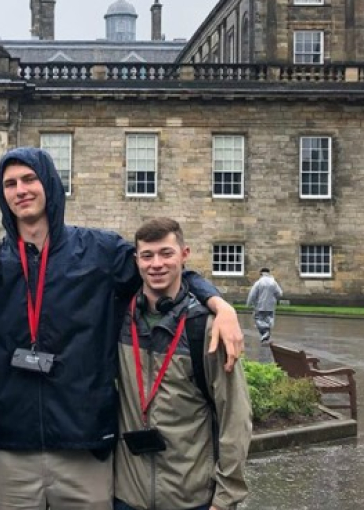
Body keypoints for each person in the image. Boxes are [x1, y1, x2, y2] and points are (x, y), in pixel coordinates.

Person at [0, 147, 244, 510]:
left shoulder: (98, 252)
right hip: (12, 449)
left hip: (84, 449)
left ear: (50, 184)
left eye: (29, 179)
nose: (20, 190)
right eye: (10, 183)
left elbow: (161, 270)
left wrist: (218, 304)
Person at [114, 218, 252, 510]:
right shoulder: (118, 320)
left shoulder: (207, 329)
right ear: (136, 260)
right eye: (147, 256)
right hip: (128, 496)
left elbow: (235, 416)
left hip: (191, 498)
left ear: (184, 254)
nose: (156, 264)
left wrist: (225, 498)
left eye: (166, 253)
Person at [246, 267, 283, 345]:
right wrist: (275, 298)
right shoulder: (273, 283)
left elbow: (252, 294)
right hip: (270, 306)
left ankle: (265, 333)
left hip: (260, 305)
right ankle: (266, 337)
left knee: (258, 320)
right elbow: (280, 293)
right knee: (268, 320)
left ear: (261, 273)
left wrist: (248, 303)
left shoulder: (259, 282)